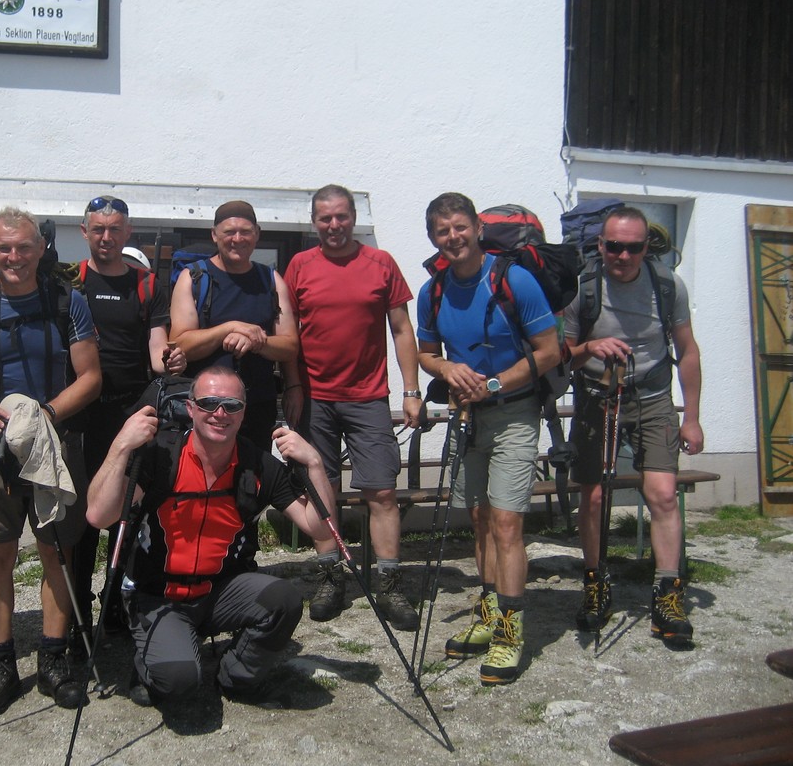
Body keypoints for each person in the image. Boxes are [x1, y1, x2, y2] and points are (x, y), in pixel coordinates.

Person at [86, 366, 335, 706]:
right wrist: (120, 446)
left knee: (284, 600)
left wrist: (315, 464)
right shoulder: (161, 456)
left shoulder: (258, 465)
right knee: (178, 683)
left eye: (232, 405)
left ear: (243, 413)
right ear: (190, 408)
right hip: (161, 595)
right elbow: (99, 515)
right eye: (208, 403)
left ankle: (236, 678)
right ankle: (153, 661)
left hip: (221, 591)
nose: (220, 413)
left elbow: (321, 529)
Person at [0, 206, 101, 718]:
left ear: (41, 249)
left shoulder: (67, 302)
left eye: (24, 247)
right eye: (4, 248)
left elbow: (90, 377)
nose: (15, 257)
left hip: (55, 446)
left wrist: (47, 415)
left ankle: (53, 659)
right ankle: (1, 666)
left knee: (57, 554)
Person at [416, 192, 559, 686]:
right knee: (478, 521)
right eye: (442, 231)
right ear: (433, 237)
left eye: (460, 227)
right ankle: (489, 611)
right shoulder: (432, 291)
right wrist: (447, 369)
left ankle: (510, 632)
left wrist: (493, 385)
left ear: (477, 228)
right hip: (466, 416)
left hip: (514, 413)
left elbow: (550, 350)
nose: (453, 237)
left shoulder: (514, 280)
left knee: (506, 523)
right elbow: (426, 353)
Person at [281, 184, 424, 632]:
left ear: (354, 217)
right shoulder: (299, 266)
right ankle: (330, 577)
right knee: (320, 491)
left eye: (341, 216)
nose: (334, 225)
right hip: (315, 397)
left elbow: (401, 329)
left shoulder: (380, 263)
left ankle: (389, 583)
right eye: (325, 218)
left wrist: (412, 389)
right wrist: (293, 385)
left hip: (368, 397)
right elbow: (287, 332)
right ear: (313, 222)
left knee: (381, 492)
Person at [563, 206, 703, 648]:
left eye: (633, 247)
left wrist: (692, 417)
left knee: (663, 494)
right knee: (594, 497)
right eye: (614, 246)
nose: (623, 256)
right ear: (600, 245)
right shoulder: (582, 288)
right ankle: (595, 584)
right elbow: (562, 355)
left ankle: (668, 595)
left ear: (647, 248)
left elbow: (688, 350)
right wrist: (592, 347)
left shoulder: (667, 285)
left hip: (653, 397)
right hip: (596, 397)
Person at [70, 195, 185, 633]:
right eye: (98, 229)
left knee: (127, 515)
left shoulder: (148, 285)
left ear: (127, 233)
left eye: (114, 229)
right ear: (85, 232)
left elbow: (158, 349)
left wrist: (171, 361)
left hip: (131, 413)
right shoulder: (71, 282)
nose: (106, 237)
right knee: (82, 518)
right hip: (81, 416)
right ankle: (78, 612)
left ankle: (115, 601)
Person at [170, 200, 299, 450]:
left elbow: (290, 346)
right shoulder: (193, 278)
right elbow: (180, 345)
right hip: (206, 410)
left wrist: (255, 341)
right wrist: (229, 328)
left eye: (245, 232)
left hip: (256, 408)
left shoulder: (271, 280)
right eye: (229, 232)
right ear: (214, 235)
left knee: (253, 473)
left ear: (257, 234)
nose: (237, 239)